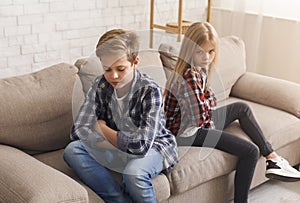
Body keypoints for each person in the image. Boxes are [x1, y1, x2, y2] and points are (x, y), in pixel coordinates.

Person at [164, 22, 300, 203]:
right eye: (200, 52)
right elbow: (202, 115)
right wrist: (209, 106)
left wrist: (208, 103)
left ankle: (272, 157)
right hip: (186, 133)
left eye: (211, 52)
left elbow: (208, 103)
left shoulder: (199, 69)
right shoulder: (189, 76)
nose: (206, 57)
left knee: (241, 107)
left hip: (197, 122)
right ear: (190, 50)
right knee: (250, 151)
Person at [64, 29, 178, 203]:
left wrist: (102, 128)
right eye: (107, 69)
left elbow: (141, 146)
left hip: (155, 147)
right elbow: (78, 130)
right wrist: (118, 145)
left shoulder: (150, 90)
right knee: (73, 150)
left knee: (134, 173)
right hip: (119, 148)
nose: (113, 76)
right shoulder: (101, 85)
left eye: (121, 69)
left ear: (135, 62)